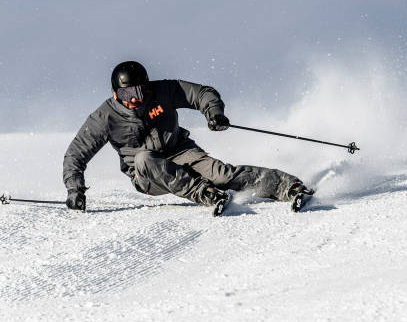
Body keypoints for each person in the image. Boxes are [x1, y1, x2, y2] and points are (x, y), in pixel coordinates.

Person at [63, 61, 313, 213]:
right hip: (147, 175)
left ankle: (287, 187)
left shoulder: (164, 91)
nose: (133, 99)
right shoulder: (104, 117)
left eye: (138, 91)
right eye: (126, 93)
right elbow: (76, 154)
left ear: (147, 87)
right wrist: (75, 189)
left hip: (180, 151)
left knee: (222, 174)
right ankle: (204, 193)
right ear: (116, 92)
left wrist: (214, 113)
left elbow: (202, 93)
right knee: (144, 158)